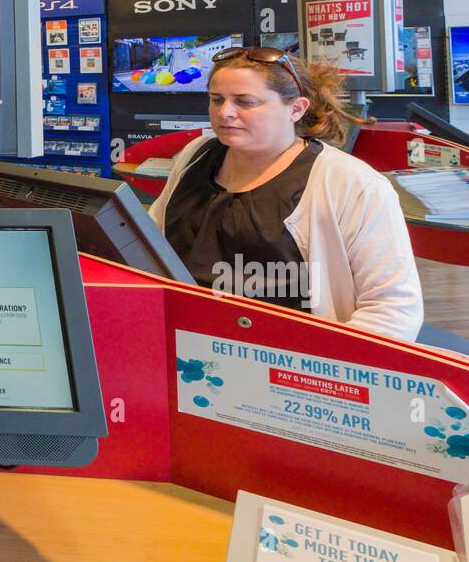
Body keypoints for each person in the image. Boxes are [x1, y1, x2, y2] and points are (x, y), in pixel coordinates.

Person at [148, 46, 423, 341]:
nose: (224, 112)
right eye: (217, 99)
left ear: (296, 109)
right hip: (185, 344)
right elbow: (147, 246)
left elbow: (393, 310)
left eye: (246, 102)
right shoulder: (196, 156)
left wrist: (321, 373)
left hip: (292, 366)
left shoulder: (350, 184)